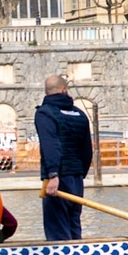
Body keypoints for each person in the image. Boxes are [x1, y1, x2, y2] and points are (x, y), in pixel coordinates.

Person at [35, 74, 93, 240]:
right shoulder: (80, 114)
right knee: (73, 222)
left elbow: (50, 145)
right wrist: (80, 174)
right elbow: (87, 150)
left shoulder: (45, 113)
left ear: (47, 92)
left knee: (57, 228)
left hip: (58, 179)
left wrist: (53, 175)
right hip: (76, 178)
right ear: (64, 90)